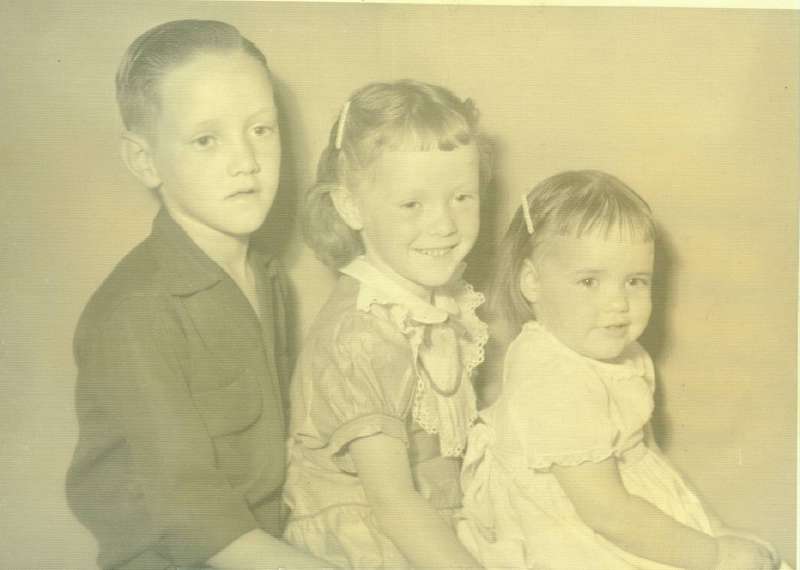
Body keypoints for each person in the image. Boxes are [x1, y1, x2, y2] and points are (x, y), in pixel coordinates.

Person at [66, 20, 328, 570]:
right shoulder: (135, 313)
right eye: (207, 139)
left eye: (261, 129)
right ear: (144, 160)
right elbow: (195, 518)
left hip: (264, 543)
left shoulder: (268, 275)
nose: (246, 160)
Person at [457, 170, 787, 570]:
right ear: (532, 282)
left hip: (624, 505)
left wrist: (713, 532)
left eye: (634, 281)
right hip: (575, 527)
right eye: (589, 282)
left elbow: (648, 457)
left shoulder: (623, 355)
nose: (618, 303)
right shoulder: (551, 378)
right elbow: (607, 514)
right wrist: (712, 555)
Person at [284, 79, 489, 569]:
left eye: (462, 197)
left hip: (432, 522)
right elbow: (394, 504)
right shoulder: (360, 337)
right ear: (350, 206)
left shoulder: (441, 306)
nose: (444, 224)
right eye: (412, 204)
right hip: (367, 541)